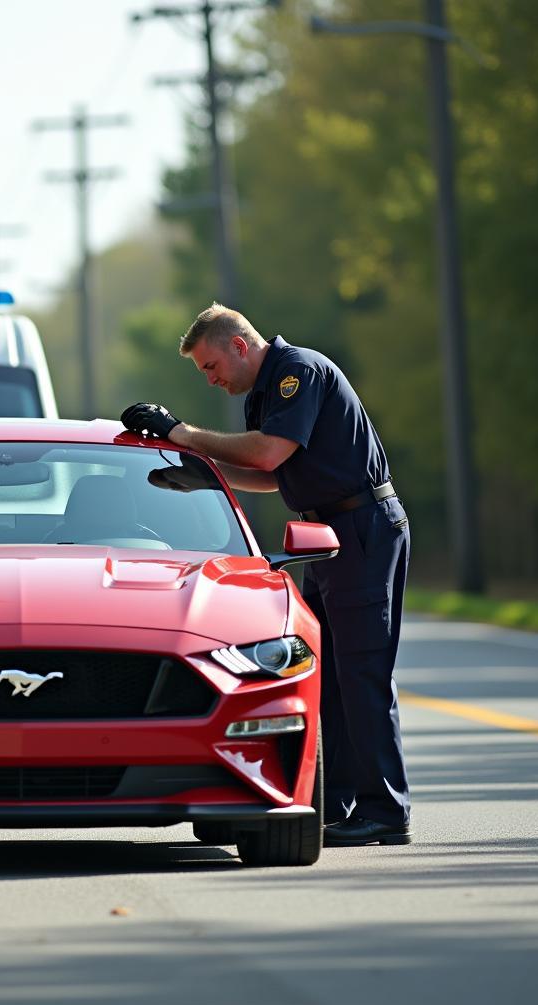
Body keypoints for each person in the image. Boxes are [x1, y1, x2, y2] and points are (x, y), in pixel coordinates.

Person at [121, 302, 411, 847]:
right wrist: (204, 479)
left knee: (363, 675)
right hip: (329, 529)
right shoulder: (263, 390)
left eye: (211, 367)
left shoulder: (296, 372)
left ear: (238, 345)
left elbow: (268, 451)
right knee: (332, 682)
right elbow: (272, 472)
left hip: (362, 526)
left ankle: (386, 812)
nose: (211, 380)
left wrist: (180, 433)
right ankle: (347, 804)